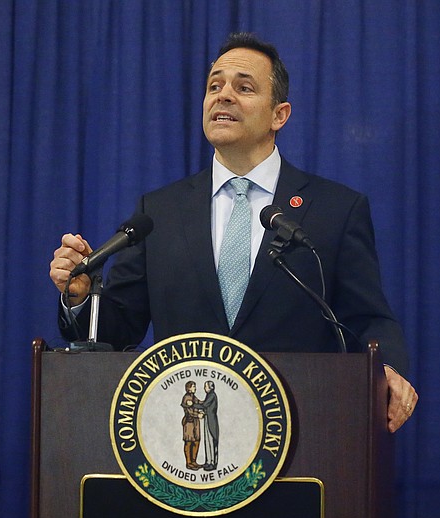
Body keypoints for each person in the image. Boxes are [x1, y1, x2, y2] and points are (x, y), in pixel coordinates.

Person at [49, 32, 417, 433]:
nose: (222, 96)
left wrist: (389, 372)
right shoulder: (160, 212)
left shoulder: (335, 210)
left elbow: (369, 319)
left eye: (244, 87)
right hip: (182, 440)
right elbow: (117, 330)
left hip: (301, 434)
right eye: (214, 86)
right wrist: (81, 297)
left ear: (280, 114)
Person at [180, 381, 204, 470]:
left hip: (196, 423)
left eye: (195, 386)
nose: (195, 388)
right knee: (189, 442)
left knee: (196, 441)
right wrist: (198, 414)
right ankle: (188, 463)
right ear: (189, 388)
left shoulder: (193, 397)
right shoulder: (186, 398)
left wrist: (207, 402)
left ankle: (194, 461)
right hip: (189, 423)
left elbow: (199, 402)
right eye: (193, 386)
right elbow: (189, 411)